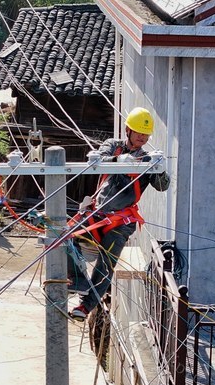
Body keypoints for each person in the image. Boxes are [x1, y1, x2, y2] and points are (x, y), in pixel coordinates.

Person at [68, 107, 170, 321]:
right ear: (128, 130)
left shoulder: (146, 160)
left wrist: (158, 167)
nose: (142, 137)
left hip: (121, 222)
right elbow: (102, 159)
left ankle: (85, 307)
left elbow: (162, 186)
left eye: (146, 134)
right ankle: (79, 282)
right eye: (138, 132)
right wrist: (125, 161)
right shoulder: (112, 147)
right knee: (66, 238)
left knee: (106, 262)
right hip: (97, 213)